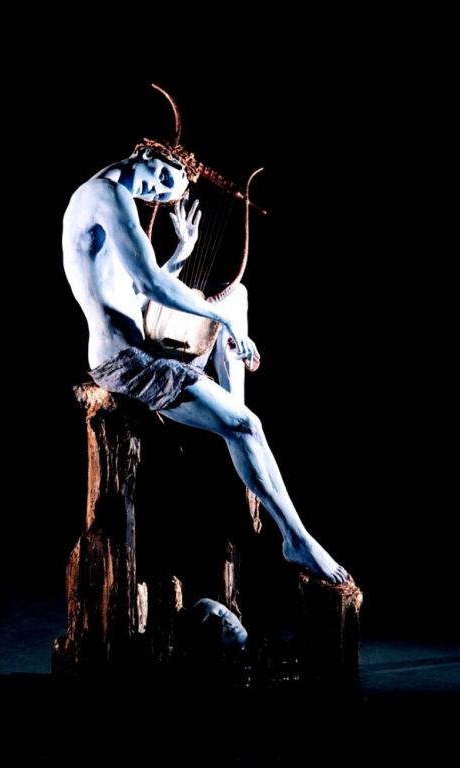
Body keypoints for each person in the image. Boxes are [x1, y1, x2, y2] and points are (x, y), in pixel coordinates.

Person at [62, 144, 348, 584]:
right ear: (148, 152)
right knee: (246, 423)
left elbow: (132, 293)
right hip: (127, 363)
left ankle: (239, 430)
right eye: (162, 178)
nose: (155, 191)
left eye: (163, 194)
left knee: (237, 296)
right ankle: (295, 537)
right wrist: (223, 321)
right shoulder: (105, 194)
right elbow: (150, 284)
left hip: (145, 349)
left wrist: (183, 250)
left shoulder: (106, 197)